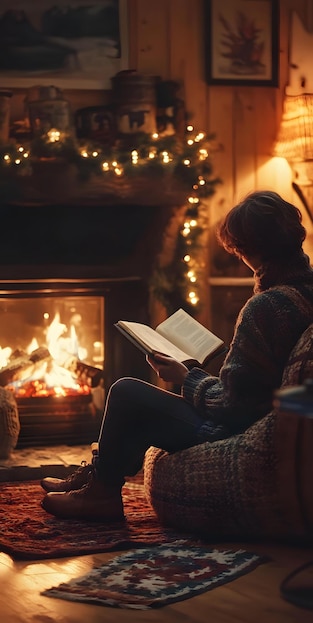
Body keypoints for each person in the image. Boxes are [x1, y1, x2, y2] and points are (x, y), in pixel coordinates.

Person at [41, 190, 313, 522]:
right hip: (264, 419)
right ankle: (95, 479)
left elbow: (234, 405)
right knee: (141, 406)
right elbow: (258, 385)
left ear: (245, 248)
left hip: (237, 431)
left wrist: (186, 377)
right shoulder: (302, 294)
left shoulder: (267, 306)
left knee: (127, 392)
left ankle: (101, 495)